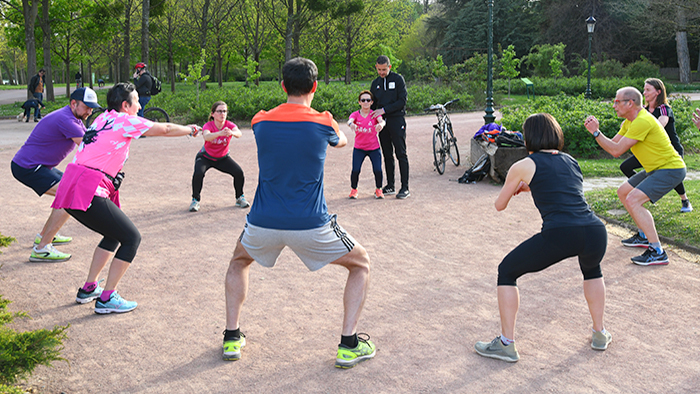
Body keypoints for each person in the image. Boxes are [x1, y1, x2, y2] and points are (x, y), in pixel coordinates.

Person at [223, 57, 375, 369]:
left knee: (239, 262)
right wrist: (331, 123)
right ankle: (348, 344)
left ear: (282, 86)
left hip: (263, 221)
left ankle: (231, 337)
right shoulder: (323, 122)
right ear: (315, 87)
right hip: (311, 224)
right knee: (360, 264)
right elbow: (343, 141)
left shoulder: (260, 121)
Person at [51, 82, 201, 314]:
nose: (140, 105)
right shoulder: (125, 120)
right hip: (88, 187)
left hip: (72, 185)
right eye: (137, 101)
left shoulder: (102, 118)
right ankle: (107, 298)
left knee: (113, 235)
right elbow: (166, 129)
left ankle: (89, 288)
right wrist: (191, 129)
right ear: (125, 105)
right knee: (131, 238)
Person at [475, 113, 610, 363]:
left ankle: (506, 344)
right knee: (592, 270)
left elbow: (499, 205)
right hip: (594, 230)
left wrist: (518, 184)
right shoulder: (571, 160)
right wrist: (532, 185)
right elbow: (563, 189)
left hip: (561, 232)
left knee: (506, 271)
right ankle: (600, 333)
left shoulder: (524, 164)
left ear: (529, 138)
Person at [585, 87, 686, 266]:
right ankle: (643, 235)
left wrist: (596, 132)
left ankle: (657, 251)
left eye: (617, 101)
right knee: (624, 192)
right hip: (655, 168)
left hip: (670, 168)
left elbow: (616, 151)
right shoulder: (630, 121)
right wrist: (597, 133)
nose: (614, 105)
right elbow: (613, 144)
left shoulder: (642, 121)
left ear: (630, 103)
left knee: (633, 200)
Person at [11, 87, 101, 263]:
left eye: (92, 107)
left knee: (68, 192)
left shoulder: (73, 116)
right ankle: (42, 249)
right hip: (28, 167)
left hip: (39, 166)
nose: (90, 111)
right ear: (73, 103)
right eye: (87, 107)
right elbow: (87, 147)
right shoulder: (66, 119)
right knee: (71, 195)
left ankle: (45, 236)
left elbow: (90, 137)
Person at [619, 78, 691, 213]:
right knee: (625, 166)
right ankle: (645, 191)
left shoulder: (663, 108)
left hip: (670, 149)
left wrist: (638, 129)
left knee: (671, 172)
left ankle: (684, 200)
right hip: (651, 150)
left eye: (648, 90)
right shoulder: (644, 111)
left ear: (658, 92)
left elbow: (660, 124)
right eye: (644, 89)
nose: (644, 92)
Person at [189, 100, 250, 212]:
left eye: (224, 111)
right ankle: (195, 200)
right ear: (213, 114)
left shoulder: (229, 125)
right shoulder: (209, 125)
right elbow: (206, 136)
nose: (222, 114)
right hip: (205, 157)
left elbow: (239, 133)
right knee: (198, 173)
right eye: (219, 111)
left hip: (222, 158)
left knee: (238, 173)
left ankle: (239, 198)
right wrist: (219, 133)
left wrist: (232, 133)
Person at [370, 55, 409, 199]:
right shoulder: (375, 83)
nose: (381, 72)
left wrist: (384, 110)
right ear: (376, 67)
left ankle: (405, 187)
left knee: (401, 153)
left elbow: (402, 101)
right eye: (379, 69)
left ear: (389, 67)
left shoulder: (398, 80)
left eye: (384, 69)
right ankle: (390, 185)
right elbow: (373, 105)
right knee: (387, 154)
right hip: (382, 123)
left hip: (397, 120)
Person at [347, 90, 385, 199]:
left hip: (374, 148)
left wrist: (381, 125)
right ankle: (354, 189)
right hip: (359, 148)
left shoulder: (374, 114)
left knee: (377, 169)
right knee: (356, 170)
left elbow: (382, 121)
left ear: (372, 102)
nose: (366, 102)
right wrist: (351, 124)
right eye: (363, 100)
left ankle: (378, 190)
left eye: (368, 100)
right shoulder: (356, 114)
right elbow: (350, 120)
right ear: (359, 102)